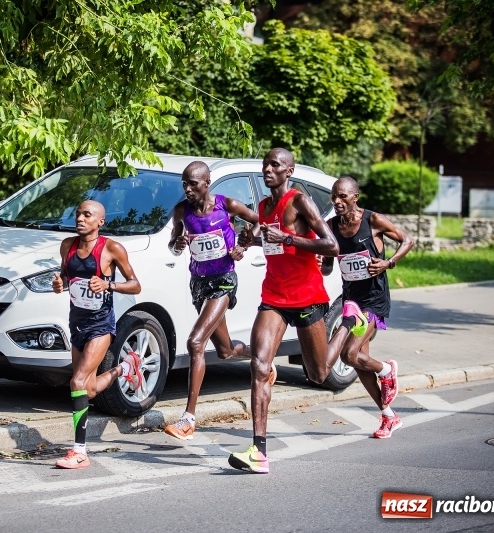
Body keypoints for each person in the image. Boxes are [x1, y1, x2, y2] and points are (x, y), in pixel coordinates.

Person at [229, 147, 339, 474]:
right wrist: (245, 242)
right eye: (265, 164)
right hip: (274, 295)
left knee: (318, 374)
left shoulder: (300, 201)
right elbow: (267, 239)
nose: (268, 169)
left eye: (275, 165)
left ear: (288, 170)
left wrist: (289, 239)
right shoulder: (263, 207)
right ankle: (259, 452)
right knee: (260, 365)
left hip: (306, 297)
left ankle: (348, 324)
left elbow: (330, 245)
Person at [163, 161, 262, 441]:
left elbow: (258, 222)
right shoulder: (181, 211)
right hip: (199, 283)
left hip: (223, 280)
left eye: (193, 184)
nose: (188, 189)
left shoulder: (227, 205)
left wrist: (243, 246)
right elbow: (173, 241)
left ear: (207, 182)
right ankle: (261, 357)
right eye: (184, 184)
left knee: (196, 342)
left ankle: (188, 419)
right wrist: (177, 244)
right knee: (225, 350)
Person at [52, 200, 142, 469]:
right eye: (78, 213)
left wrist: (108, 284)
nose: (80, 218)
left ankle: (79, 451)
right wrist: (60, 283)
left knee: (77, 381)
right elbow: (67, 277)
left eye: (87, 215)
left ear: (100, 221)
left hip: (101, 325)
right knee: (89, 389)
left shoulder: (112, 248)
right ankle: (126, 368)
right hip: (77, 323)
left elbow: (136, 284)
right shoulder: (67, 246)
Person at [323, 176, 414, 439]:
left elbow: (407, 240)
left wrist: (389, 263)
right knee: (361, 363)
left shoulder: (372, 221)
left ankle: (387, 370)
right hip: (351, 299)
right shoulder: (331, 227)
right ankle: (389, 416)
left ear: (355, 197)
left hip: (374, 298)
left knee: (349, 355)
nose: (337, 202)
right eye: (334, 197)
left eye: (343, 197)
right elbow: (329, 266)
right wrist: (323, 261)